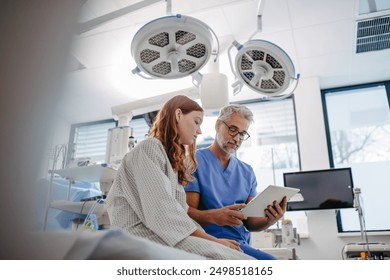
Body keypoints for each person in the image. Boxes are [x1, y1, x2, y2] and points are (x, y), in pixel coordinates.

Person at [106, 95, 254, 260]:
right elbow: (164, 215)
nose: (199, 131)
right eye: (196, 122)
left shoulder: (171, 163)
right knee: (241, 262)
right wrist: (215, 241)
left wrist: (213, 241)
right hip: (143, 237)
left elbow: (180, 215)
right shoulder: (149, 148)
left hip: (165, 236)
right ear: (178, 115)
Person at [185, 104, 287, 260]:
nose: (237, 138)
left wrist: (270, 220)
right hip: (208, 242)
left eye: (242, 134)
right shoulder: (194, 162)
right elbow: (186, 213)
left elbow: (251, 223)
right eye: (233, 130)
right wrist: (215, 216)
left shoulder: (246, 172)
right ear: (218, 125)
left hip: (240, 245)